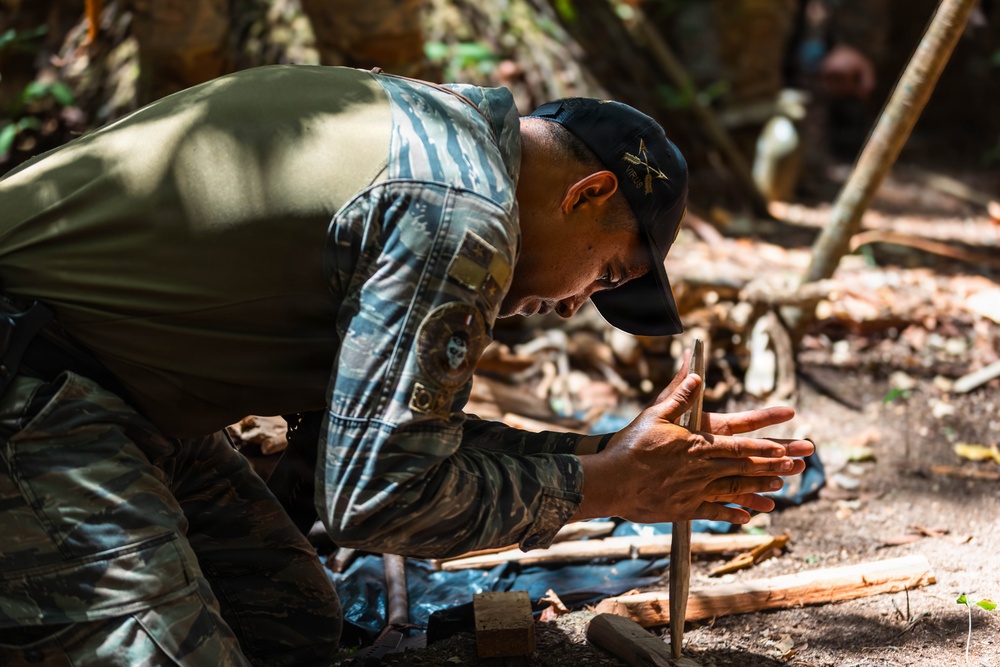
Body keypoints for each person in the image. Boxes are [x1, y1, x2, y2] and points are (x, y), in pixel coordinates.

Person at [0, 64, 813, 665]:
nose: (574, 306)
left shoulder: (432, 132)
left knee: (284, 619)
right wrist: (608, 488)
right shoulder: (459, 211)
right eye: (605, 274)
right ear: (588, 194)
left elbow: (383, 436)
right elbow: (380, 496)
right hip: (33, 376)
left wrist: (607, 455)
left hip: (113, 383)